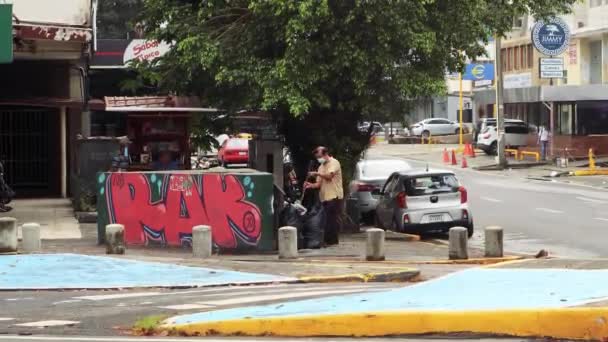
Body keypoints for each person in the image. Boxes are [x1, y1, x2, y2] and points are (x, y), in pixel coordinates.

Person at [304, 146, 343, 245]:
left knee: (331, 219)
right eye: (317, 157)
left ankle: (331, 241)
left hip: (334, 195)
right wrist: (310, 185)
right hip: (324, 196)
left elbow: (330, 176)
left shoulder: (334, 162)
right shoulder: (321, 167)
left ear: (326, 154)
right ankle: (329, 240)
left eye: (320, 156)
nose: (319, 159)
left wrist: (317, 174)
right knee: (326, 219)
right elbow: (318, 184)